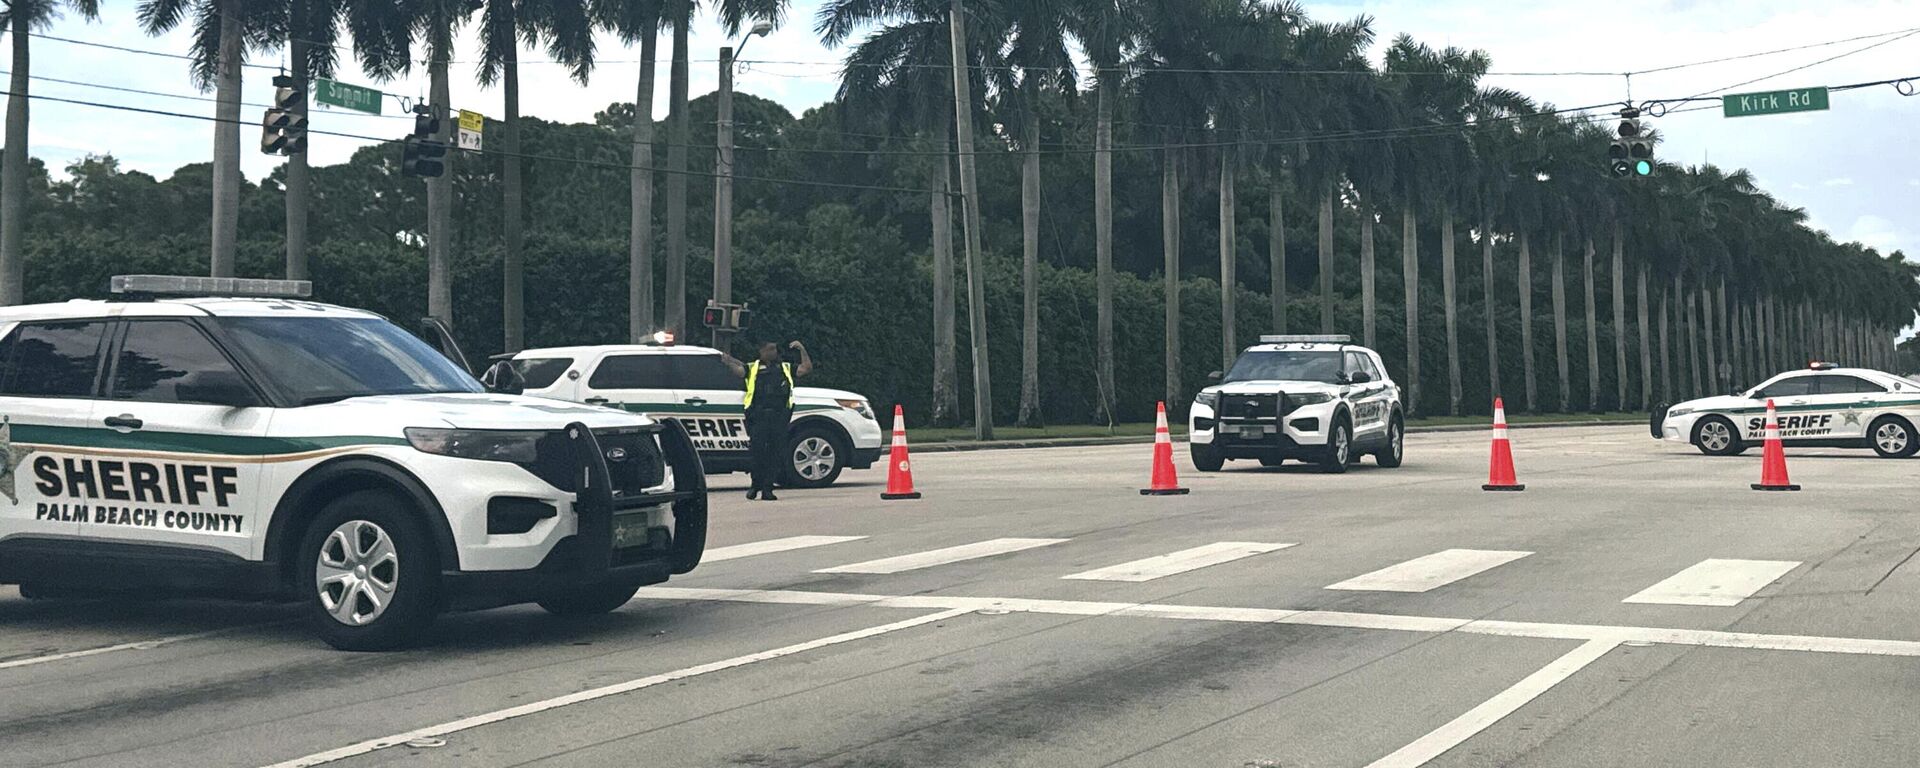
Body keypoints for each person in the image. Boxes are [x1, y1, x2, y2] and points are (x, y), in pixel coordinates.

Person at [722, 340, 812, 500]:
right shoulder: (752, 368)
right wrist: (728, 362)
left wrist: (802, 349)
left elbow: (806, 369)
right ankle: (755, 485)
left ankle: (767, 489)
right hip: (758, 417)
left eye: (774, 349)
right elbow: (739, 371)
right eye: (769, 349)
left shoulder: (785, 368)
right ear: (761, 352)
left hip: (779, 418)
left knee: (775, 454)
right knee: (757, 454)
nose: (773, 352)